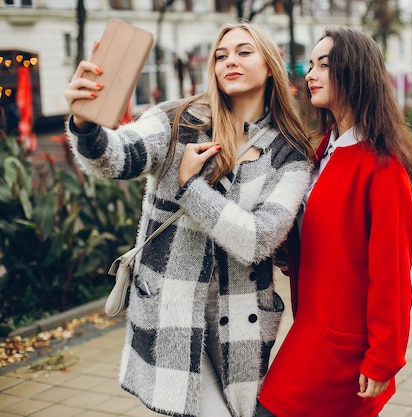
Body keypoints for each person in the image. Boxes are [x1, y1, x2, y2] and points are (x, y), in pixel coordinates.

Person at [64, 22, 313, 417]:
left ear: (271, 64)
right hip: (172, 310)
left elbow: (259, 239)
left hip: (242, 316)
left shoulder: (289, 154)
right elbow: (117, 158)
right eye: (221, 55)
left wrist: (190, 188)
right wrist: (85, 125)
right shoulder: (178, 118)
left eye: (244, 52)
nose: (229, 60)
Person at [258, 26, 412, 417]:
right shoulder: (323, 151)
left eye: (323, 65)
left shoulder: (382, 169)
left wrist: (384, 357)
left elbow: (393, 274)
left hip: (343, 345)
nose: (310, 74)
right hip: (312, 325)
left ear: (355, 72)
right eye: (310, 65)